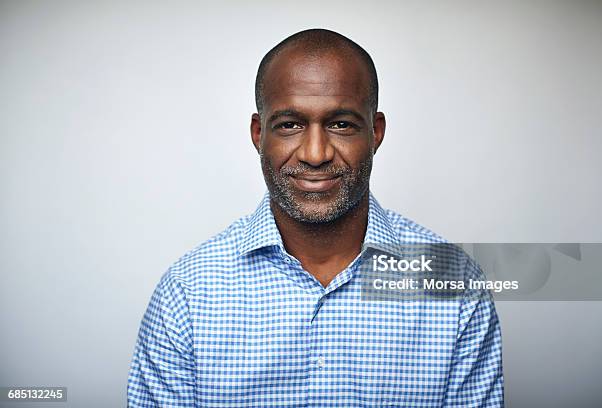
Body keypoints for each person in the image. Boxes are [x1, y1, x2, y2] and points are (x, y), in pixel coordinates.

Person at [127, 28, 504, 407]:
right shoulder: (188, 293)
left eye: (341, 124)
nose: (315, 153)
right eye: (290, 124)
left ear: (375, 132)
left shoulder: (456, 286)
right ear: (259, 133)